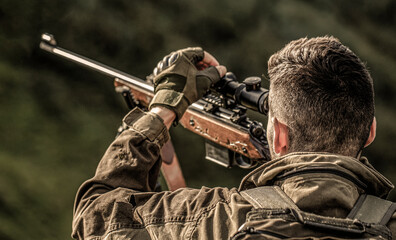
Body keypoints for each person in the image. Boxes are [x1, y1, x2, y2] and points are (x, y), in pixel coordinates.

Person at [71, 37, 396, 239]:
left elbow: (96, 216)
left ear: (278, 137)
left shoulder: (213, 218)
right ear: (370, 131)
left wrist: (161, 112)